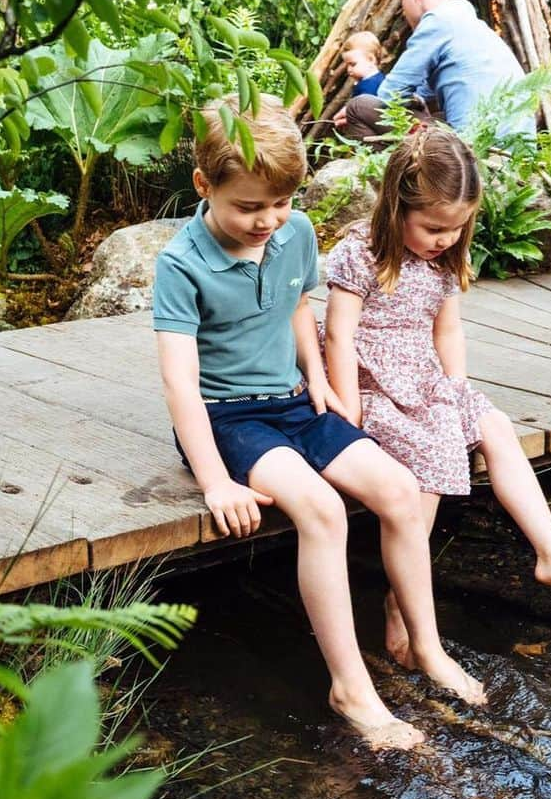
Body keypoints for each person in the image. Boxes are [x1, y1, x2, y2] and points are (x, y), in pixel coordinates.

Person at [153, 97, 485, 751]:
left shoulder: (294, 231)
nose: (267, 221)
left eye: (279, 203)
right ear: (204, 186)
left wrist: (326, 381)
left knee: (396, 490)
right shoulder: (180, 263)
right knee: (323, 511)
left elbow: (301, 308)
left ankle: (427, 645)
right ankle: (351, 688)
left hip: (296, 400)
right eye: (248, 207)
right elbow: (179, 383)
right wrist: (218, 481)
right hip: (227, 420)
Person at [324, 127, 551, 665]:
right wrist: (348, 409)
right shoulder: (360, 254)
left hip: (426, 378)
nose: (445, 239)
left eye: (457, 229)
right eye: (434, 227)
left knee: (495, 427)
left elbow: (447, 331)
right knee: (435, 450)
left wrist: (456, 388)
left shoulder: (441, 260)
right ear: (396, 206)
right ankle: (401, 602)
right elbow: (339, 334)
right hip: (373, 384)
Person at [333, 0, 534, 143]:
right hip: (513, 149)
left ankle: (394, 179)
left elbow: (390, 93)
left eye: (402, 0)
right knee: (436, 115)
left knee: (358, 107)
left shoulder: (437, 22)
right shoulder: (466, 21)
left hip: (472, 151)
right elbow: (424, 94)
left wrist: (351, 111)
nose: (403, 12)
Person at [342, 31, 387, 97]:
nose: (349, 69)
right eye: (347, 65)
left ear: (371, 60)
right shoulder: (377, 79)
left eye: (353, 64)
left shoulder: (370, 86)